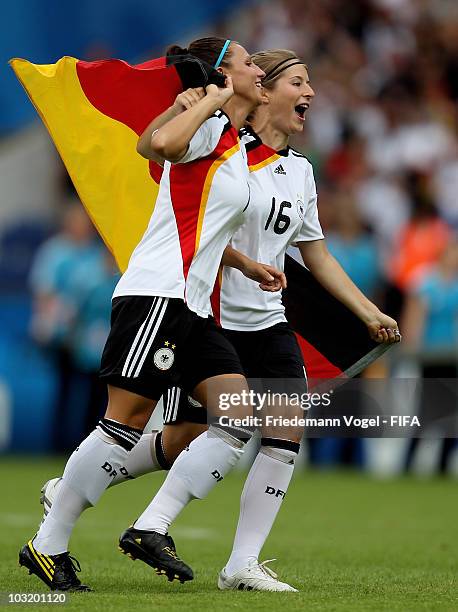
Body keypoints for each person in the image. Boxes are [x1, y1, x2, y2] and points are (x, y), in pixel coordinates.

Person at [37, 48, 401, 593]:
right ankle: (69, 502)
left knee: (279, 427)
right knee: (175, 435)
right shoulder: (224, 142)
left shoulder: (300, 172)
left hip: (263, 321)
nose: (310, 94)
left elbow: (316, 254)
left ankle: (232, 559)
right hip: (205, 310)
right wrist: (196, 104)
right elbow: (163, 166)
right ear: (265, 89)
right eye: (297, 82)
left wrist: (368, 311)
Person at [19, 37, 280, 592]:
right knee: (124, 424)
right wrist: (208, 100)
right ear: (221, 73)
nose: (260, 69)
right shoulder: (210, 127)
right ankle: (48, 542)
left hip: (191, 305)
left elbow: (155, 156)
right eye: (249, 62)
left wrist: (244, 263)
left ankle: (150, 526)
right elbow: (159, 143)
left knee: (235, 416)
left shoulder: (227, 137)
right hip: (156, 295)